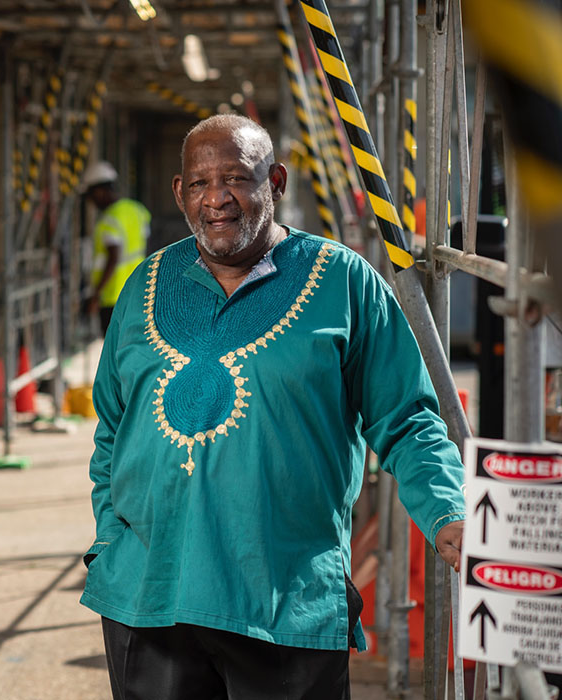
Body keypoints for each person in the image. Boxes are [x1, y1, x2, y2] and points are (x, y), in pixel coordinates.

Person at [79, 114, 465, 700]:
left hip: (285, 600)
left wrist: (447, 511)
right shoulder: (145, 283)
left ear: (275, 181)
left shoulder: (343, 282)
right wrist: (109, 542)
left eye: (235, 178)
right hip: (147, 595)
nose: (217, 199)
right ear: (180, 192)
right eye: (200, 183)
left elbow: (407, 418)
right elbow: (111, 426)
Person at [81, 161, 151, 335]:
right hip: (139, 290)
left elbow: (113, 258)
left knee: (115, 352)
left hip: (114, 297)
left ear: (99, 191)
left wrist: (96, 294)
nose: (91, 202)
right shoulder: (136, 209)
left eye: (91, 195)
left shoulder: (109, 219)